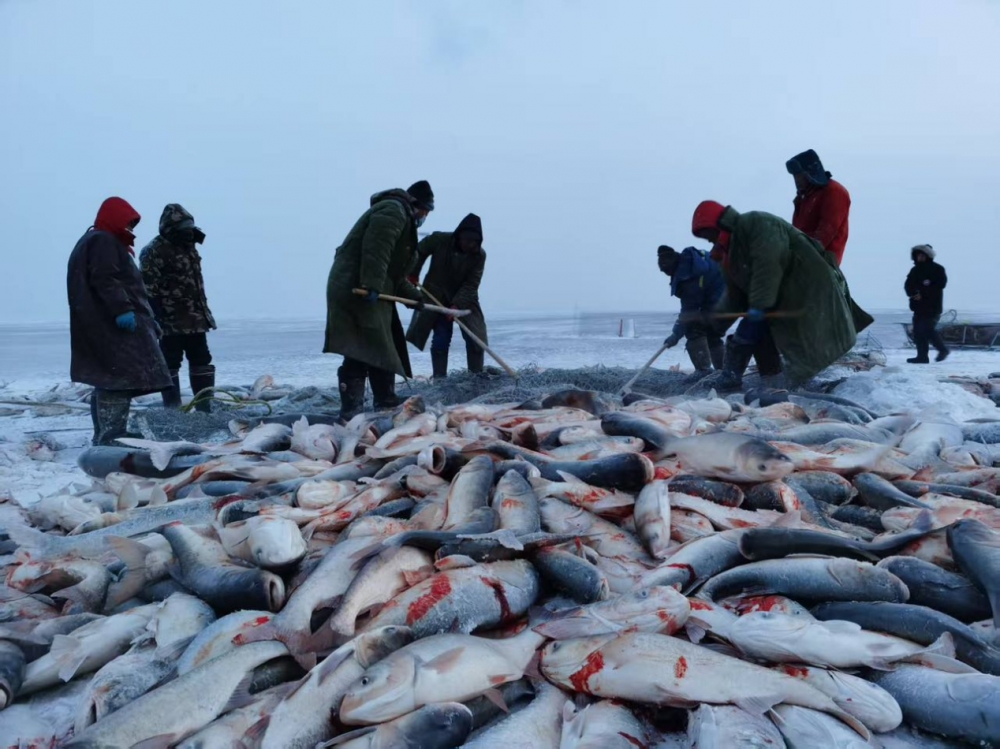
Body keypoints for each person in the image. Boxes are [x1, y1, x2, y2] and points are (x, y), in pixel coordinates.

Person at [691, 200, 872, 390]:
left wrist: (759, 304)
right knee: (757, 330)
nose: (709, 241)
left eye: (708, 233)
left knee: (799, 343)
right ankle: (771, 381)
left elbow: (768, 265)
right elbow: (735, 297)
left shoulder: (755, 223)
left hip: (807, 288)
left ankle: (739, 377)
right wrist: (714, 322)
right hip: (778, 298)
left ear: (718, 224)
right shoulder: (731, 256)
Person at [324, 181, 433, 421]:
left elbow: (395, 274)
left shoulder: (402, 220)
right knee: (361, 347)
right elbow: (376, 248)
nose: (425, 216)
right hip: (356, 288)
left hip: (373, 288)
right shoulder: (393, 211)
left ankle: (386, 402)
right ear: (416, 204)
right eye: (425, 211)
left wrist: (415, 297)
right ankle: (351, 411)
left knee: (384, 345)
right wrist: (371, 283)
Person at [67, 197, 173, 445]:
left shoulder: (97, 240)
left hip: (103, 324)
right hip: (112, 326)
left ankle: (105, 434)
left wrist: (148, 318)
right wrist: (122, 310)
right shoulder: (102, 240)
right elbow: (106, 278)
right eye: (128, 223)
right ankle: (112, 435)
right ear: (113, 217)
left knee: (108, 378)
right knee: (118, 380)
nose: (130, 230)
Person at [139, 204, 216, 411]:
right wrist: (156, 319)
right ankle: (172, 409)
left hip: (196, 318)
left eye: (189, 227)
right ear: (169, 229)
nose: (188, 232)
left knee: (202, 359)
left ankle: (205, 407)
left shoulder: (189, 244)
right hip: (169, 321)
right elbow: (148, 290)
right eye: (183, 228)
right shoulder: (153, 251)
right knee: (170, 363)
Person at [405, 213, 488, 378]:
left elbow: (471, 284)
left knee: (476, 339)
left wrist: (457, 305)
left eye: (473, 242)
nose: (468, 245)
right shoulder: (440, 240)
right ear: (458, 236)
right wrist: (413, 273)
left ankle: (476, 377)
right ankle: (440, 379)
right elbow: (419, 251)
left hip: (466, 299)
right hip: (436, 294)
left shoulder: (479, 255)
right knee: (441, 338)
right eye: (465, 240)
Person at [657, 245, 725, 373]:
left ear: (672, 266)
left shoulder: (689, 276)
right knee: (712, 333)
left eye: (666, 271)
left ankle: (705, 373)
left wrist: (676, 334)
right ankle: (723, 372)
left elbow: (689, 311)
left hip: (723, 298)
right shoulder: (690, 261)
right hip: (724, 294)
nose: (665, 273)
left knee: (694, 330)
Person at [786, 149, 851, 267]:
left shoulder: (834, 191)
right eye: (794, 176)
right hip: (802, 256)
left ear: (809, 173)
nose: (796, 180)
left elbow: (825, 232)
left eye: (798, 174)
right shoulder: (803, 198)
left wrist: (797, 253)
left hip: (823, 261)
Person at [904, 243, 949, 364]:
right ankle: (922, 356)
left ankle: (942, 350)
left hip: (932, 307)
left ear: (928, 255)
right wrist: (914, 294)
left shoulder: (938, 269)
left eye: (923, 255)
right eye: (918, 255)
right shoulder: (914, 270)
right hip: (918, 307)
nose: (920, 257)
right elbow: (908, 285)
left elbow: (940, 284)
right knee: (918, 332)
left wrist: (923, 293)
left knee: (927, 329)